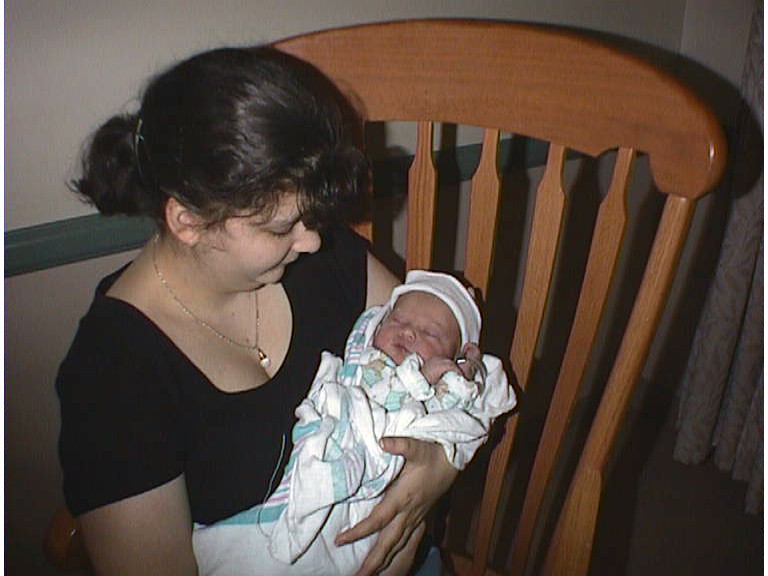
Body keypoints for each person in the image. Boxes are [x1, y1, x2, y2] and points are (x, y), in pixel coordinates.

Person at [55, 46, 458, 576]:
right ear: (188, 221)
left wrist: (442, 464)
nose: (312, 240)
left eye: (308, 217)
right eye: (280, 227)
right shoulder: (113, 377)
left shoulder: (320, 256)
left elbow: (452, 354)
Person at [192, 270, 517, 575]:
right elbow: (357, 397)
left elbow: (460, 413)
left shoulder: (445, 385)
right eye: (398, 319)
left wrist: (452, 377)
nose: (408, 331)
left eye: (430, 333)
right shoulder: (365, 363)